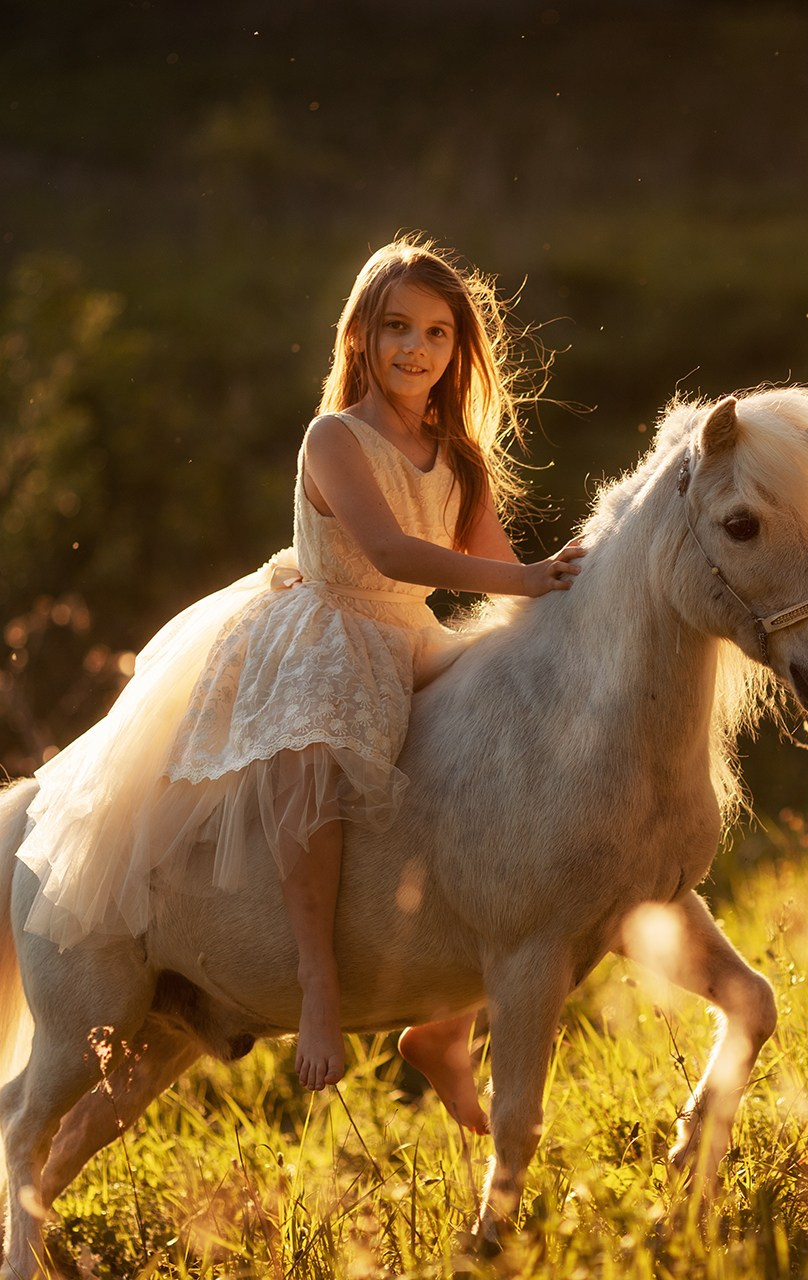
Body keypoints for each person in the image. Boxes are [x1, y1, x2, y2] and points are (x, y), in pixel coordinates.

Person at [16, 236, 584, 1114]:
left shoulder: (457, 452)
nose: (416, 349)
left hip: (411, 635)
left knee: (488, 753)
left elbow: (501, 570)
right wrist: (528, 579)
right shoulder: (336, 437)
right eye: (397, 327)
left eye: (436, 333)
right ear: (361, 334)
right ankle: (318, 989)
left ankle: (447, 1020)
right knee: (311, 766)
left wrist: (567, 589)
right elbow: (390, 552)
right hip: (327, 632)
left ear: (457, 349)